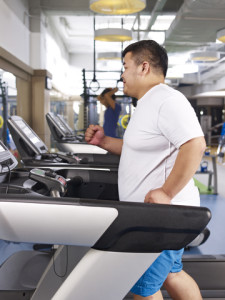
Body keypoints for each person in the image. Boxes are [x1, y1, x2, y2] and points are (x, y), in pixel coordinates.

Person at [85, 40, 206, 300]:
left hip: (162, 216)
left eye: (125, 66)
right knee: (173, 275)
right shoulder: (147, 104)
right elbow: (137, 148)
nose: (121, 74)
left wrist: (166, 191)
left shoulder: (167, 100)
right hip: (155, 215)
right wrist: (104, 142)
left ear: (143, 67)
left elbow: (195, 145)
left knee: (144, 288)